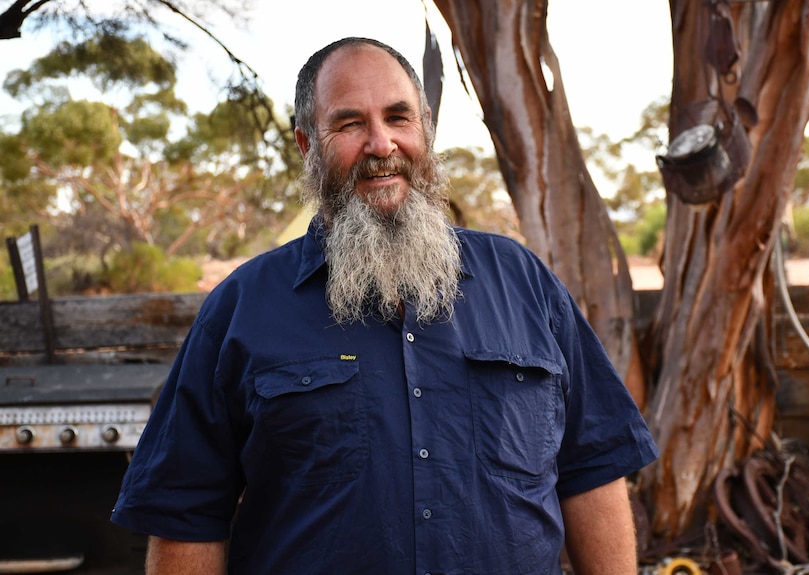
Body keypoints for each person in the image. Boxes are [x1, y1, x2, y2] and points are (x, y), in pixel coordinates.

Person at [111, 36, 658, 575]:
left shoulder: (525, 285)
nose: (380, 144)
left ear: (425, 128)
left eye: (399, 118)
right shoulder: (242, 308)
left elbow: (591, 470)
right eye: (350, 124)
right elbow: (187, 515)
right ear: (308, 146)